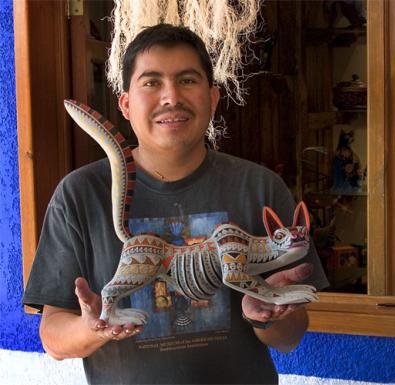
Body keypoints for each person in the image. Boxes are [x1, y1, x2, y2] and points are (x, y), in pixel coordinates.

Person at [23, 24, 328, 384]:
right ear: (125, 103)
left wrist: (267, 313)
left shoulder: (259, 186)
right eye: (151, 82)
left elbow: (290, 337)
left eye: (187, 80)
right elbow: (54, 337)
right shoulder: (79, 193)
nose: (171, 97)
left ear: (212, 98)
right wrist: (96, 326)